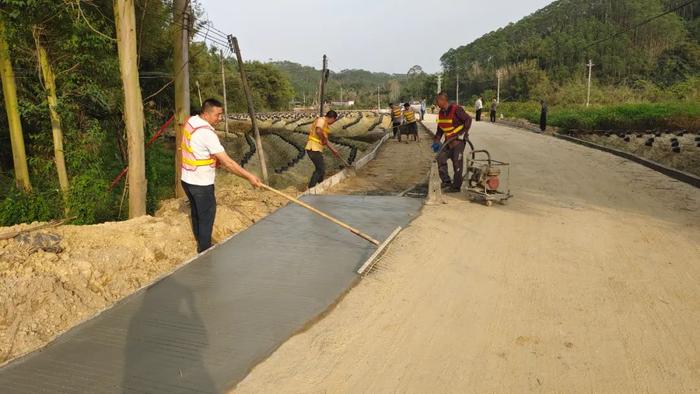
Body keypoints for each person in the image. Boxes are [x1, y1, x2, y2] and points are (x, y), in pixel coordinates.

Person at [181, 98, 262, 253]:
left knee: (197, 212)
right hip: (201, 183)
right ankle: (204, 251)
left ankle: (200, 239)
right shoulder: (207, 133)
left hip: (187, 179)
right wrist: (249, 177)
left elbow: (197, 149)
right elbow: (228, 163)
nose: (220, 119)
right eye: (217, 115)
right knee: (207, 216)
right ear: (206, 114)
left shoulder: (192, 122)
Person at [432, 92, 472, 192]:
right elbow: (440, 129)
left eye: (437, 101)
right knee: (440, 158)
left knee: (456, 163)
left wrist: (465, 133)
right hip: (448, 142)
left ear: (443, 100)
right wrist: (436, 140)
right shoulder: (441, 113)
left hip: (458, 143)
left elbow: (468, 119)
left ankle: (456, 186)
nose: (436, 103)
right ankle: (446, 181)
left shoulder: (456, 109)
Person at [305, 110, 341, 188]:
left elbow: (326, 141)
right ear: (332, 118)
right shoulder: (321, 120)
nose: (333, 123)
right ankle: (311, 188)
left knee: (322, 169)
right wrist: (323, 139)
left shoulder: (325, 125)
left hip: (316, 148)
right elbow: (318, 131)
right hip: (313, 148)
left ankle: (320, 185)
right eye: (334, 121)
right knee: (320, 169)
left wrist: (334, 151)